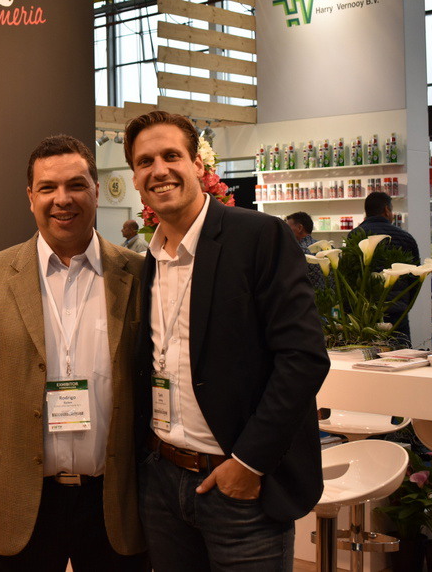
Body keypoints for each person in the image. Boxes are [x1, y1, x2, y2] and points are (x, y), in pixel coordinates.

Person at [124, 111, 329, 571]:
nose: (159, 170)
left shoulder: (258, 236)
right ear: (135, 177)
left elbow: (303, 358)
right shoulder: (146, 262)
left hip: (239, 487)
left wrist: (249, 463)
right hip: (161, 480)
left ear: (198, 164)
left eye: (171, 155)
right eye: (145, 161)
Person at [0, 134, 146, 570]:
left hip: (114, 499)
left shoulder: (139, 275)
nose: (62, 199)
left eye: (76, 185)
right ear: (30, 196)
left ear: (96, 190)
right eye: (48, 187)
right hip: (21, 497)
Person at [350, 192, 421, 342]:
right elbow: (415, 277)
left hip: (364, 310)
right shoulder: (405, 237)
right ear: (387, 210)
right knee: (400, 350)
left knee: (367, 351)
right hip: (396, 309)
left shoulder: (355, 235)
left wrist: (351, 307)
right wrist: (405, 303)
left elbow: (348, 274)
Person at [285, 211, 323, 289]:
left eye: (287, 228)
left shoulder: (296, 251)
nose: (285, 232)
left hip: (307, 296)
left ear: (299, 228)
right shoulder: (327, 247)